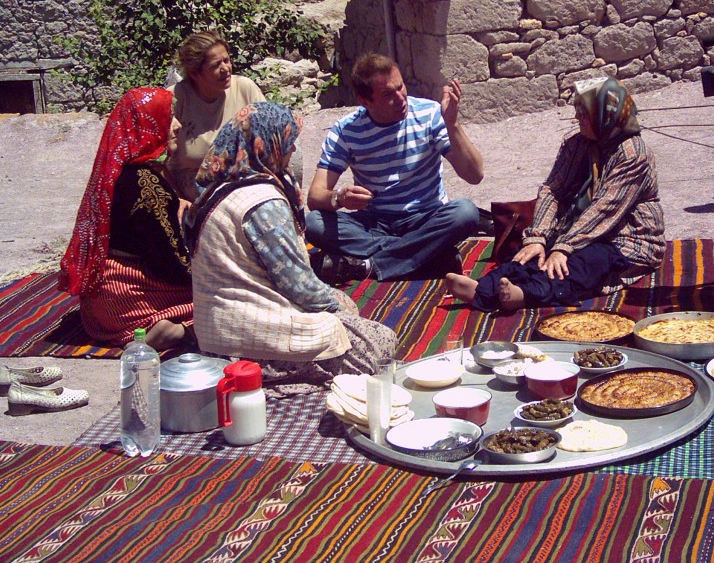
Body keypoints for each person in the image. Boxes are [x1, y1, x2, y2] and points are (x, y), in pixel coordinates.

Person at [187, 102, 396, 383]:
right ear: (267, 143)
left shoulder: (223, 186)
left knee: (343, 303)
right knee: (379, 342)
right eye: (289, 142)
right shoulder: (262, 203)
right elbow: (297, 284)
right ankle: (265, 373)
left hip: (217, 327)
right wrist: (335, 308)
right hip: (243, 341)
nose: (293, 150)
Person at [446, 77, 665, 311]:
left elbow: (606, 208)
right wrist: (537, 238)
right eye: (577, 111)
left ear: (606, 115)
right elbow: (553, 190)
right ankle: (484, 287)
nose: (577, 118)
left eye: (584, 113)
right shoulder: (576, 143)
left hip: (623, 236)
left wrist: (564, 246)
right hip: (575, 228)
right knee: (529, 256)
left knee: (582, 263)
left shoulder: (633, 155)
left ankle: (523, 294)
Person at [305, 53, 484, 283]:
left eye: (401, 87)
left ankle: (367, 266)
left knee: (465, 212)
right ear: (365, 101)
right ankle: (430, 256)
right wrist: (339, 197)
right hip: (376, 223)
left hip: (426, 218)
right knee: (315, 223)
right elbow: (316, 196)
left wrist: (453, 124)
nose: (401, 98)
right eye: (388, 94)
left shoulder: (429, 114)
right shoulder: (346, 131)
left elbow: (475, 175)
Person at [59, 87, 193, 351]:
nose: (177, 127)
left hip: (100, 304)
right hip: (128, 299)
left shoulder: (123, 171)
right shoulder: (146, 183)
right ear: (148, 125)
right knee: (224, 299)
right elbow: (171, 264)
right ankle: (169, 330)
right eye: (168, 118)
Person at [168, 30, 264, 200]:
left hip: (242, 185)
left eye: (226, 60)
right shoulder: (176, 100)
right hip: (192, 197)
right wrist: (177, 200)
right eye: (215, 65)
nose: (225, 68)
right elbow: (156, 161)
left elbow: (269, 134)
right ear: (195, 74)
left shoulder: (245, 88)